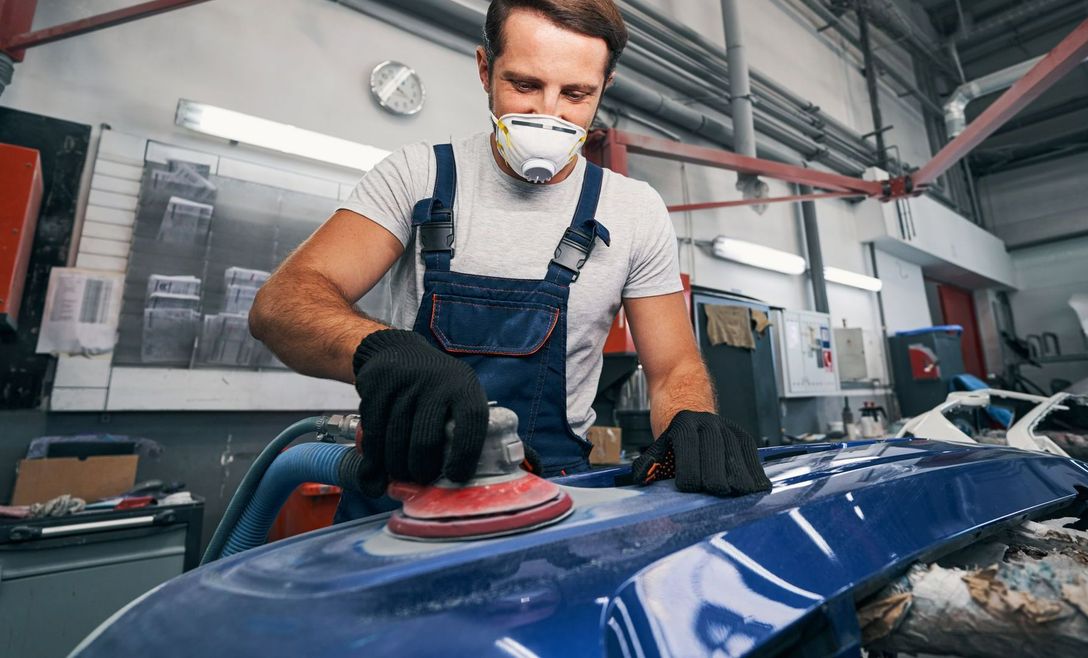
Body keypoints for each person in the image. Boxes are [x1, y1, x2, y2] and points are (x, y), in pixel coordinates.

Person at [249, 0, 770, 519]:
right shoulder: (417, 175)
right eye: (524, 86)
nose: (548, 114)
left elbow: (672, 367)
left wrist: (690, 419)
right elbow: (282, 303)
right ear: (484, 69)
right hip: (405, 494)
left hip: (556, 497)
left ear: (603, 88)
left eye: (575, 94)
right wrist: (383, 352)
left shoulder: (635, 210)